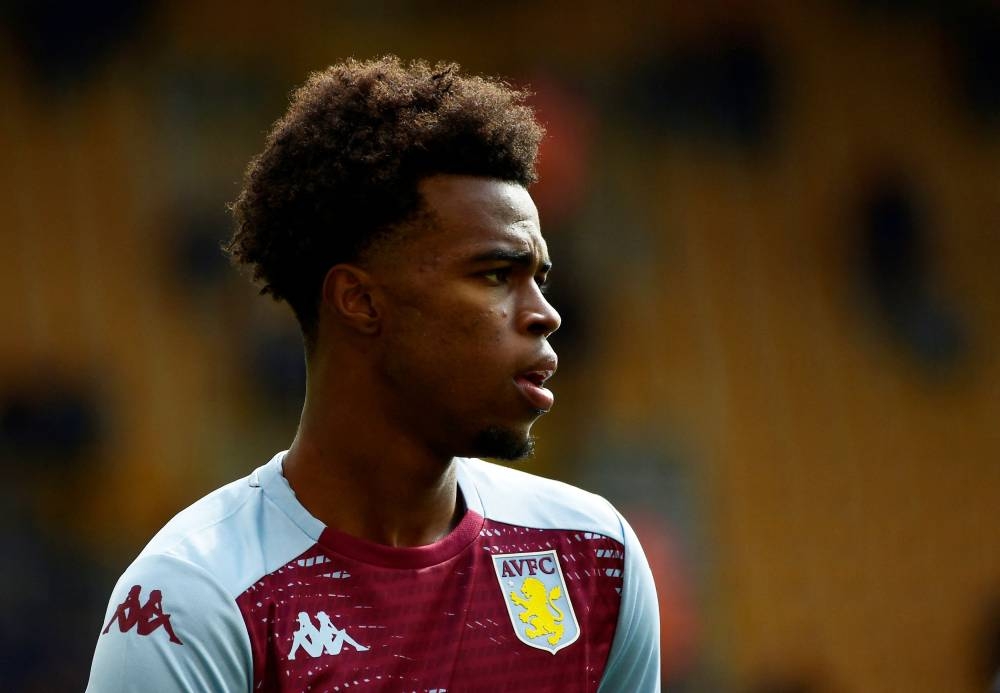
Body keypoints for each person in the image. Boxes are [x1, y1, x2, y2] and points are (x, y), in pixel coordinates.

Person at [86, 55, 660, 692]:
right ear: (359, 301)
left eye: (539, 279)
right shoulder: (195, 599)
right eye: (496, 274)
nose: (545, 314)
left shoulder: (594, 559)